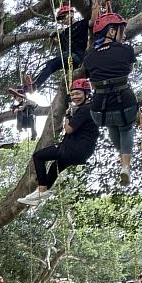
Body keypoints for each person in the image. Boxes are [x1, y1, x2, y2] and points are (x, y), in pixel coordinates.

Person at [18, 78, 100, 206]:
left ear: (87, 94)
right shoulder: (89, 109)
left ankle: (42, 189)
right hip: (82, 152)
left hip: (74, 148)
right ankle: (41, 192)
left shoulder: (85, 109)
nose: (74, 97)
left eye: (78, 93)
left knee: (38, 156)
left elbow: (68, 129)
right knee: (55, 166)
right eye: (72, 94)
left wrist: (67, 116)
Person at [82, 6, 138, 185]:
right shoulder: (126, 49)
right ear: (112, 30)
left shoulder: (89, 56)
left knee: (112, 125)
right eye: (121, 31)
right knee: (126, 128)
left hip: (99, 109)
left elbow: (92, 75)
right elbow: (129, 70)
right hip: (125, 102)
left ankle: (122, 159)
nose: (123, 35)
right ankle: (125, 166)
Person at [16, 5, 91, 93]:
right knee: (50, 64)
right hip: (70, 60)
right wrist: (55, 39)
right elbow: (64, 51)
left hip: (80, 57)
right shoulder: (64, 34)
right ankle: (29, 87)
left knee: (55, 61)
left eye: (63, 17)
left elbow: (93, 21)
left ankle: (35, 84)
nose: (62, 20)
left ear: (71, 14)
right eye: (60, 19)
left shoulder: (82, 24)